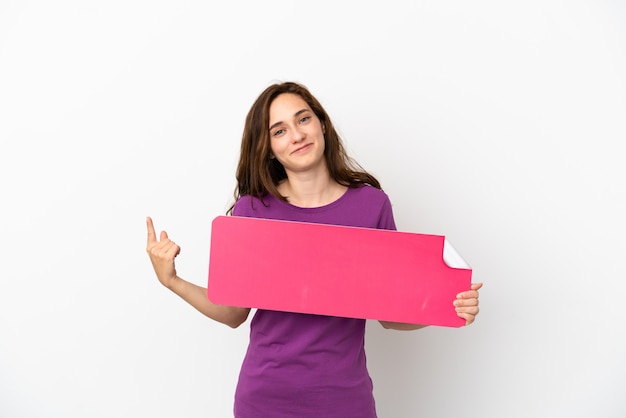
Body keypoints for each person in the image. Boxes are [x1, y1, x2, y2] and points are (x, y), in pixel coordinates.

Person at [146, 81, 482, 417]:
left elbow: (389, 315)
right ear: (268, 148)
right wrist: (172, 280)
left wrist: (446, 306)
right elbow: (234, 314)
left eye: (303, 119)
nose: (296, 135)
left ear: (321, 123)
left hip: (344, 401)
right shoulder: (252, 211)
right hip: (264, 401)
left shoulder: (370, 205)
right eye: (279, 130)